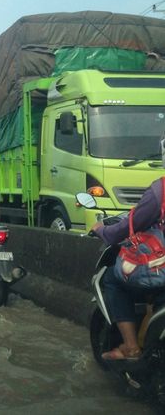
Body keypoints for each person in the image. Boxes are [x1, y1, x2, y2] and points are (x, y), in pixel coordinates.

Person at [93, 136, 165, 360]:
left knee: (113, 280)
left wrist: (101, 230)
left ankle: (131, 346)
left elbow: (127, 226)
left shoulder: (160, 191)